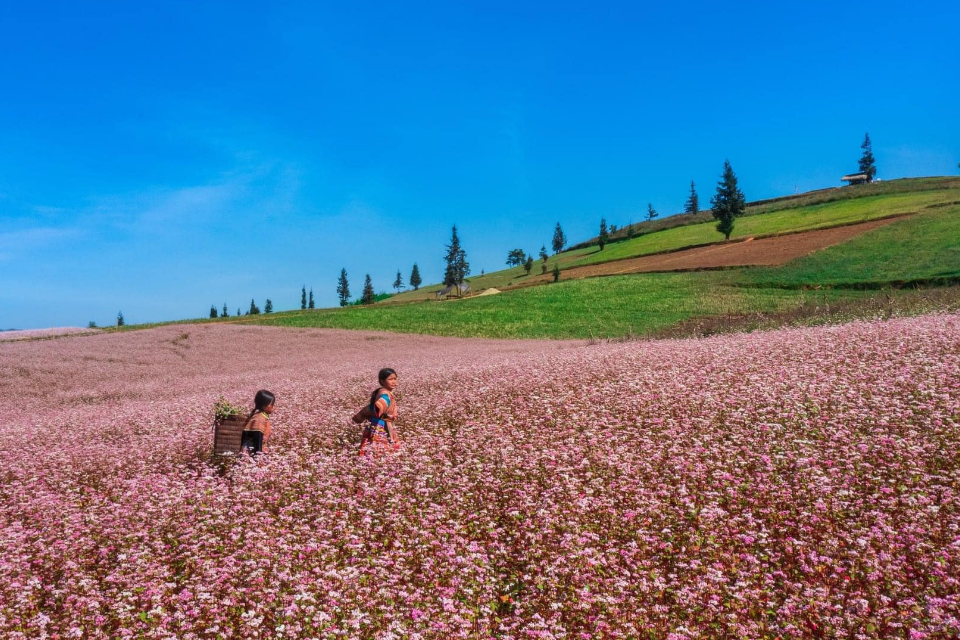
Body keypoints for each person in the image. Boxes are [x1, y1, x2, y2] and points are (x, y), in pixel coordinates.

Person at [354, 368, 399, 455]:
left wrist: (361, 416)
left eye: (395, 379)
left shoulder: (382, 391)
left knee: (373, 447)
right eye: (390, 379)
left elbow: (372, 407)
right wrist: (381, 410)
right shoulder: (385, 394)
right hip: (382, 425)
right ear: (382, 381)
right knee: (382, 449)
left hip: (376, 423)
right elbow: (380, 405)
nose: (393, 382)